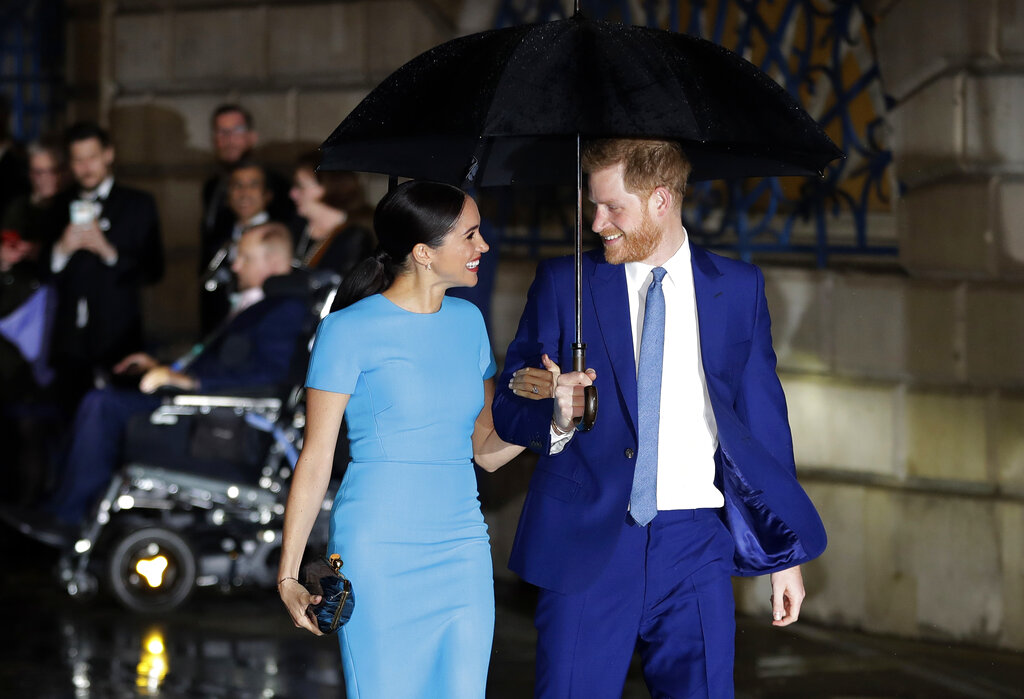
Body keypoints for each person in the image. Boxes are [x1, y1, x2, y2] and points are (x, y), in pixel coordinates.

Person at [492, 138, 827, 698]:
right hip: (587, 542)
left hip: (697, 541)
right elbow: (510, 401)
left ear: (661, 200)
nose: (597, 223)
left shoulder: (738, 287)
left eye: (612, 208)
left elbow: (763, 423)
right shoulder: (564, 283)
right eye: (592, 206)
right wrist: (555, 414)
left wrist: (782, 557)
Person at [276, 180, 554, 698]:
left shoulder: (468, 322)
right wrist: (289, 574)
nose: (483, 247)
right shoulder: (347, 330)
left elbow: (487, 452)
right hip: (377, 548)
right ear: (424, 253)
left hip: (462, 546)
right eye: (470, 235)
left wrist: (553, 417)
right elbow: (315, 459)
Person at [40, 223, 306, 528]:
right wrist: (161, 365)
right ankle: (64, 507)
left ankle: (67, 517)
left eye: (244, 258)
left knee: (101, 405)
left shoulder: (284, 309)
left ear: (273, 262)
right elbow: (222, 362)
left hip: (216, 422)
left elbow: (270, 375)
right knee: (97, 392)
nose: (234, 266)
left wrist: (192, 382)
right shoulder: (261, 305)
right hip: (194, 401)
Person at [47, 121, 164, 410]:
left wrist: (108, 251)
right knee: (69, 421)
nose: (86, 167)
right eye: (78, 159)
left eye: (92, 157)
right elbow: (43, 274)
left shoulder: (138, 204)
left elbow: (154, 269)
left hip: (120, 339)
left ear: (108, 155)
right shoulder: (58, 206)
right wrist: (61, 249)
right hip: (70, 344)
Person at [200, 104, 292, 276]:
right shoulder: (212, 187)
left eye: (237, 130)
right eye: (221, 131)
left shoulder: (278, 184)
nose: (229, 139)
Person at [200, 161, 276, 333]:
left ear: (267, 194)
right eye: (237, 186)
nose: (244, 193)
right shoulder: (217, 236)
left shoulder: (279, 237)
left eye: (253, 185)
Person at [289, 151, 374, 278]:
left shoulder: (354, 238)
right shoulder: (296, 226)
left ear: (328, 187)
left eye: (300, 186)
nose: (292, 194)